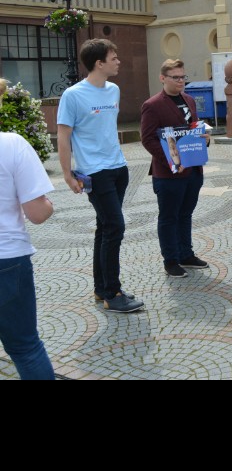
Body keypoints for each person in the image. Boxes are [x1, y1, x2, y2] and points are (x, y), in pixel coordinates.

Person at [57, 39, 145, 313]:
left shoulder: (114, 90)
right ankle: (112, 292)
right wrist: (67, 175)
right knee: (115, 227)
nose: (118, 61)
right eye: (114, 57)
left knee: (105, 228)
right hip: (94, 172)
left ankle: (101, 288)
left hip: (118, 168)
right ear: (99, 63)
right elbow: (63, 136)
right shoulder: (73, 95)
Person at [0, 78, 56, 380]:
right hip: (7, 260)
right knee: (25, 348)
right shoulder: (12, 145)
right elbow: (37, 213)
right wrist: (48, 204)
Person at [140, 59, 210, 279]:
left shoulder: (189, 100)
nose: (181, 81)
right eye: (176, 77)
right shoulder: (152, 105)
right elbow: (148, 139)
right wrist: (172, 160)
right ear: (163, 78)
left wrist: (204, 139)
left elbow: (193, 130)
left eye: (183, 77)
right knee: (169, 217)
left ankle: (185, 254)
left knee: (186, 214)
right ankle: (170, 260)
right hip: (169, 174)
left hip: (193, 170)